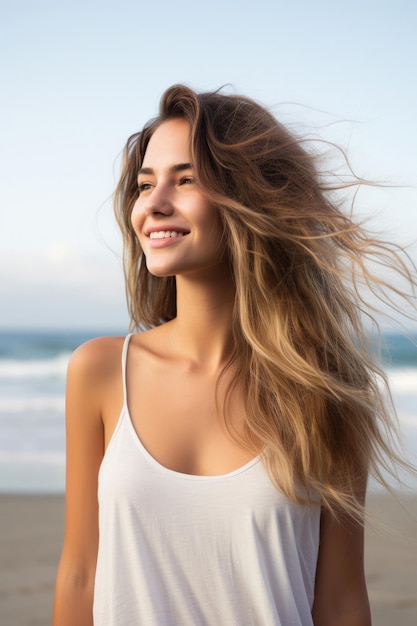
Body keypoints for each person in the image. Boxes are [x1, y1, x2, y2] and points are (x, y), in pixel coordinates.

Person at [53, 85, 416, 625]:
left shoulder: (327, 394)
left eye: (186, 179)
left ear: (250, 196)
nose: (152, 205)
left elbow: (340, 600)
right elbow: (81, 571)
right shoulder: (102, 371)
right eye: (146, 184)